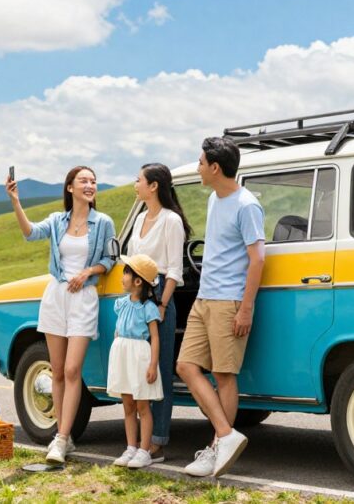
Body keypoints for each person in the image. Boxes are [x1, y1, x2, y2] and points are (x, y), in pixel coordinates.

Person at [6, 166, 116, 464]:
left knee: (71, 370)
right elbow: (30, 234)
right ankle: (61, 436)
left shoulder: (103, 222)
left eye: (93, 181)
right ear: (70, 188)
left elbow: (110, 258)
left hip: (84, 299)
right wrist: (16, 201)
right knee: (56, 368)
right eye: (84, 180)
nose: (90, 185)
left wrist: (89, 271)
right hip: (56, 297)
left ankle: (63, 438)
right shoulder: (57, 221)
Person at [176, 137, 265, 478]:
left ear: (215, 167)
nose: (198, 167)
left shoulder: (247, 205)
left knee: (224, 375)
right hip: (205, 298)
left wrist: (246, 309)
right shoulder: (215, 198)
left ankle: (217, 449)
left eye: (200, 162)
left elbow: (257, 260)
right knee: (186, 366)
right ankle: (225, 436)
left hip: (229, 301)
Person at [127, 163, 192, 464]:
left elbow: (175, 270)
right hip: (135, 301)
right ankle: (140, 442)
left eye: (139, 180)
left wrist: (162, 306)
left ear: (153, 186)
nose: (135, 185)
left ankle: (157, 442)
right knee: (140, 369)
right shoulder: (140, 216)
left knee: (159, 371)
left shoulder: (171, 221)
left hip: (158, 301)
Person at [107, 254, 164, 470]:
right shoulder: (120, 304)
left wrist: (152, 365)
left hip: (139, 356)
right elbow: (118, 329)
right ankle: (131, 447)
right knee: (128, 404)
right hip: (123, 355)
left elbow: (155, 337)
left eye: (126, 272)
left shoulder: (148, 308)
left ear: (138, 281)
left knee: (143, 405)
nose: (122, 276)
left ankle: (144, 450)